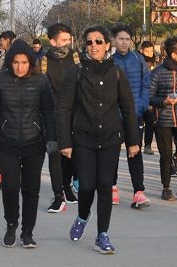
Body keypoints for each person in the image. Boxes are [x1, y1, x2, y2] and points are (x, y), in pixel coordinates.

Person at [58, 26, 140, 254]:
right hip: (83, 138)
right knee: (86, 186)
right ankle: (83, 216)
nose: (94, 45)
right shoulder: (75, 72)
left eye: (98, 41)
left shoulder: (116, 73)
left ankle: (102, 234)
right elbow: (63, 109)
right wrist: (64, 141)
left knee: (105, 185)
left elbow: (128, 108)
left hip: (111, 138)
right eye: (90, 42)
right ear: (85, 46)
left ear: (107, 45)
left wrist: (133, 140)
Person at [0, 39, 56, 249]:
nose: (20, 66)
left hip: (35, 142)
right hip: (8, 142)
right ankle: (11, 224)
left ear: (30, 62)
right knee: (10, 187)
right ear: (10, 63)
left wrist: (52, 138)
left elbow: (49, 112)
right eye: (15, 62)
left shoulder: (41, 81)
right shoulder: (0, 81)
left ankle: (28, 232)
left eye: (24, 62)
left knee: (31, 189)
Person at [110, 24, 151, 209]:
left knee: (135, 151)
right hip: (114, 116)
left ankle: (138, 193)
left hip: (135, 114)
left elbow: (146, 84)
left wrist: (141, 105)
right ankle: (112, 188)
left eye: (127, 39)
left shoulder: (138, 58)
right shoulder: (109, 61)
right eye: (121, 39)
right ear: (113, 40)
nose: (124, 42)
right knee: (112, 153)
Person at [150, 36, 177, 202]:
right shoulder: (157, 73)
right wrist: (164, 102)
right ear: (173, 54)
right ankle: (166, 187)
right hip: (162, 120)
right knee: (166, 154)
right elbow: (148, 97)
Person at [40, 23, 79, 213]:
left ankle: (66, 185)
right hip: (53, 113)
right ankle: (58, 196)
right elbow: (42, 88)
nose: (67, 44)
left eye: (69, 40)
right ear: (53, 41)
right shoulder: (44, 61)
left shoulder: (76, 58)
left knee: (70, 154)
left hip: (74, 112)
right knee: (54, 153)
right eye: (63, 40)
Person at [138, 41, 158, 155]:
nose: (149, 53)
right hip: (139, 96)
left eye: (151, 51)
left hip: (151, 97)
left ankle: (148, 145)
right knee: (139, 122)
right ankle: (137, 144)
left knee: (150, 122)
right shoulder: (138, 62)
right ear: (142, 51)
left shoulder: (156, 62)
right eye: (147, 51)